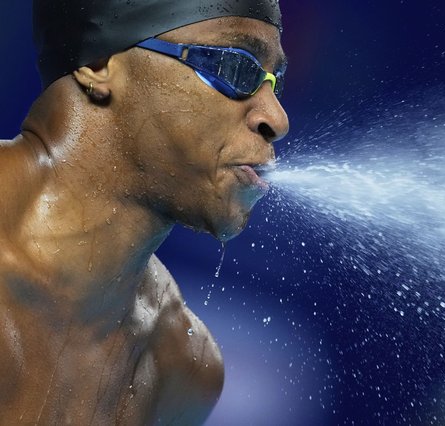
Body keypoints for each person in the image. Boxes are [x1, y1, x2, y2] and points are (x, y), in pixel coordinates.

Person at [0, 0, 289, 423]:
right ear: (100, 64)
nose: (276, 118)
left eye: (273, 82)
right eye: (234, 68)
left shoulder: (181, 368)